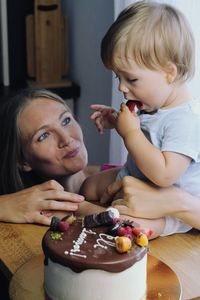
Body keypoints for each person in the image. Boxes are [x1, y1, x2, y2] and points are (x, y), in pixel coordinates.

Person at [84, 0, 200, 236]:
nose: (122, 89)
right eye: (119, 78)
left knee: (125, 225)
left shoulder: (186, 120)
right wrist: (118, 121)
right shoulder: (154, 103)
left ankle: (88, 214)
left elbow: (164, 174)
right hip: (134, 177)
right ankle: (88, 208)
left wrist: (131, 133)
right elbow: (149, 133)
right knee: (89, 185)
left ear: (169, 72)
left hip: (164, 203)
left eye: (131, 80)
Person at [0, 87, 108, 226]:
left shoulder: (119, 177)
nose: (66, 139)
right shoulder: (20, 214)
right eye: (44, 135)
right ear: (22, 161)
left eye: (66, 121)